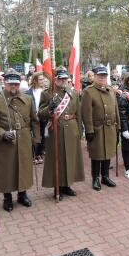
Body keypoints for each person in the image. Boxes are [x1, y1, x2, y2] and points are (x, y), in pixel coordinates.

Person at [0, 69, 41, 212]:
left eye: (16, 84)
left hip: (24, 139)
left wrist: (36, 138)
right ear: (5, 84)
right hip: (5, 141)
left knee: (23, 167)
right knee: (6, 169)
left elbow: (34, 121)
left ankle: (22, 194)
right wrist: (1, 133)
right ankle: (7, 197)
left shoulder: (27, 99)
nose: (14, 87)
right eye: (11, 85)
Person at [38, 67, 85, 200]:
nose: (63, 81)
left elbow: (79, 113)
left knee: (69, 158)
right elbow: (40, 115)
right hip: (55, 130)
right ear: (55, 79)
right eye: (60, 78)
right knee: (57, 159)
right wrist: (49, 108)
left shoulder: (73, 93)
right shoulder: (47, 94)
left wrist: (80, 131)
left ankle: (67, 185)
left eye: (65, 78)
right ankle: (57, 187)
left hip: (71, 128)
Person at [81, 66, 119, 191]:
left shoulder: (110, 90)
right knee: (97, 154)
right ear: (95, 76)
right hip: (97, 128)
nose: (102, 78)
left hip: (110, 128)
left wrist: (118, 126)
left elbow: (115, 109)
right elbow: (86, 113)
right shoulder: (89, 91)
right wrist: (89, 130)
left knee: (108, 153)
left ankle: (105, 176)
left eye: (104, 76)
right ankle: (95, 178)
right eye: (100, 76)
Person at [26, 72, 47, 164]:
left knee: (43, 135)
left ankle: (40, 153)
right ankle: (34, 154)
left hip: (43, 116)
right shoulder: (28, 92)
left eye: (43, 79)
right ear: (35, 80)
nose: (43, 81)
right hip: (33, 117)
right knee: (35, 135)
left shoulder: (45, 91)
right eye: (41, 79)